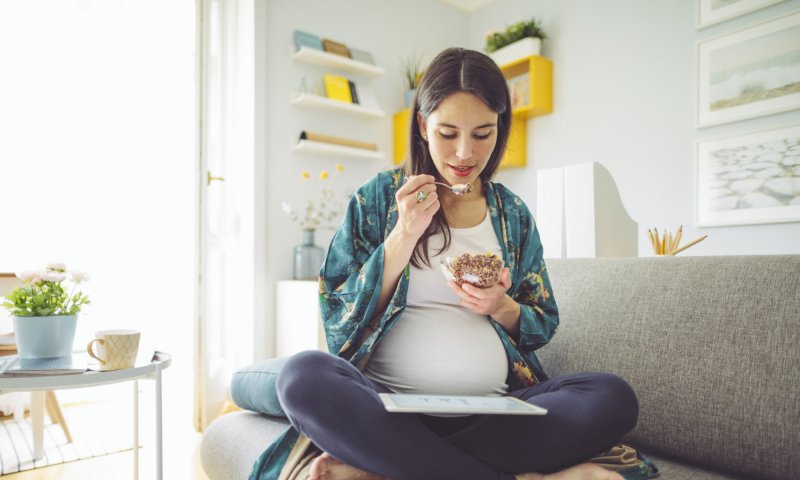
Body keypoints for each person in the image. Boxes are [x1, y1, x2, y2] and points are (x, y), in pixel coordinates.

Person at [254, 47, 639, 480]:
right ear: (422, 124)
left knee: (611, 396)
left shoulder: (512, 215)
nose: (463, 153)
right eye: (447, 133)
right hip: (387, 409)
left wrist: (501, 306)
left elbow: (542, 322)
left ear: (500, 128)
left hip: (496, 415)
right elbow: (338, 322)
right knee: (303, 376)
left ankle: (390, 467)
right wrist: (403, 236)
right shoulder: (377, 198)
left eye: (482, 133)